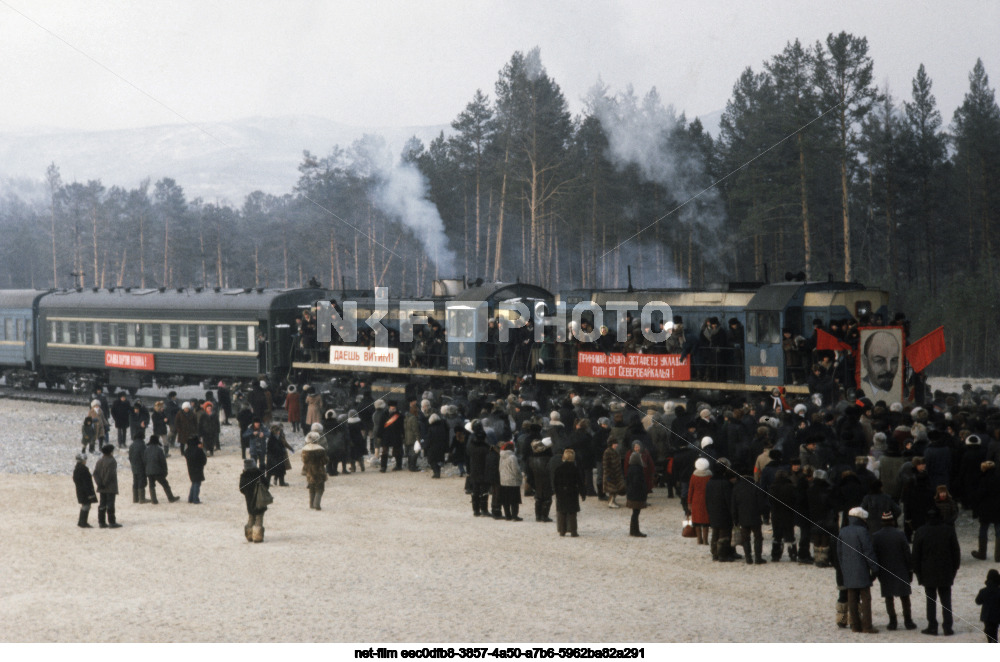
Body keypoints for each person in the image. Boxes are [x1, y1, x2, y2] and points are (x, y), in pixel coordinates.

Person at [912, 507, 961, 636]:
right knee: (946, 600)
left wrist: (918, 572)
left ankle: (932, 626)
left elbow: (916, 554)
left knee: (930, 600)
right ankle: (947, 627)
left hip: (927, 571)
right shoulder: (948, 530)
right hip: (946, 571)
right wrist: (954, 569)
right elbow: (956, 552)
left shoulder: (921, 531)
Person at [837, 506, 879, 634]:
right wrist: (874, 568)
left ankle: (855, 625)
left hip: (848, 570)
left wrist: (843, 568)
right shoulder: (862, 531)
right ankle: (867, 626)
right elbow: (868, 551)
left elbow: (839, 552)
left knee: (852, 598)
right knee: (865, 598)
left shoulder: (843, 531)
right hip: (862, 570)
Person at [871, 511, 916, 630]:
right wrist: (910, 569)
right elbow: (907, 553)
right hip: (901, 569)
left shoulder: (876, 536)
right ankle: (908, 620)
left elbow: (874, 555)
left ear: (882, 522)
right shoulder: (900, 534)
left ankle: (892, 621)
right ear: (892, 521)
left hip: (885, 570)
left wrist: (876, 571)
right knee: (905, 597)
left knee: (888, 597)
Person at [859, 330, 900, 402]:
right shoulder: (861, 389)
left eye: (893, 360)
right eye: (880, 361)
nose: (888, 368)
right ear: (865, 361)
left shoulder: (899, 390)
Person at [553, 448, 585, 536]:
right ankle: (573, 531)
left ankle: (562, 531)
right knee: (572, 513)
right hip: (572, 492)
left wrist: (556, 492)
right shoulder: (575, 469)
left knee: (562, 512)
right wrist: (583, 493)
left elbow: (555, 482)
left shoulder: (559, 468)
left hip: (561, 492)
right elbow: (579, 482)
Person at [239, 458, 269, 542]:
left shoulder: (244, 476)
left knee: (251, 517)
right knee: (259, 517)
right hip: (260, 499)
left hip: (249, 499)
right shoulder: (259, 474)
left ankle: (249, 534)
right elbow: (266, 484)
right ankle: (257, 536)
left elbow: (241, 488)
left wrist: (247, 493)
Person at [143, 435, 180, 504]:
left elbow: (144, 461)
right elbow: (163, 462)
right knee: (165, 484)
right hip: (158, 471)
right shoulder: (159, 450)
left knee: (151, 485)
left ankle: (154, 500)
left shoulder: (146, 450)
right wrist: (165, 471)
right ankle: (171, 498)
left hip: (149, 471)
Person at [92, 444, 121, 528]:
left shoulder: (99, 461)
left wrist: (99, 484)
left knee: (102, 504)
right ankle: (112, 522)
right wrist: (104, 483)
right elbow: (110, 474)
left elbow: (95, 473)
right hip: (110, 487)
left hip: (101, 487)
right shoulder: (112, 461)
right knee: (110, 504)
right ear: (110, 452)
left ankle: (101, 522)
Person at [301, 431, 327, 510]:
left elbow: (303, 460)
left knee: (311, 487)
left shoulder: (305, 451)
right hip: (319, 471)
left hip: (309, 471)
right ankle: (317, 504)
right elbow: (325, 461)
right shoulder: (321, 450)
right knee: (320, 488)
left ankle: (311, 504)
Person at [688, 457, 711, 545]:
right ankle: (705, 540)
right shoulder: (709, 475)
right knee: (706, 521)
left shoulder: (694, 476)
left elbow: (690, 489)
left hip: (696, 500)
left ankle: (699, 539)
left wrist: (689, 502)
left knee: (697, 521)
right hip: (706, 499)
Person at [626, 451, 648, 537]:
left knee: (635, 513)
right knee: (636, 513)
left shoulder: (631, 468)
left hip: (632, 494)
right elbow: (637, 483)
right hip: (637, 495)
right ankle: (635, 531)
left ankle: (633, 530)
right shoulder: (638, 469)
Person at [499, 441, 523, 521]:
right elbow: (516, 470)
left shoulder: (501, 456)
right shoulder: (512, 457)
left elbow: (500, 468)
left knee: (506, 500)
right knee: (514, 500)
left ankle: (507, 515)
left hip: (503, 480)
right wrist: (520, 477)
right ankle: (514, 516)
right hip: (513, 481)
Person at [73, 453, 97, 528]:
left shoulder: (76, 469)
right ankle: (83, 522)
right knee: (86, 506)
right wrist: (89, 493)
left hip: (80, 490)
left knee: (85, 505)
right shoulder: (83, 469)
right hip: (85, 491)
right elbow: (86, 482)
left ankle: (81, 522)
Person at [976, 569, 1000, 643]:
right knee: (994, 629)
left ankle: (991, 640)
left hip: (986, 615)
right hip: (997, 616)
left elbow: (978, 601)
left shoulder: (983, 591)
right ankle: (993, 640)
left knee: (988, 629)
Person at [602, 438, 626, 509]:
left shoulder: (615, 451)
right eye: (615, 443)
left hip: (616, 474)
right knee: (612, 490)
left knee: (617, 488)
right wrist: (608, 475)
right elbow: (605, 465)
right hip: (611, 474)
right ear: (611, 444)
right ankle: (611, 502)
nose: (616, 445)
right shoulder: (607, 452)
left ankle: (612, 501)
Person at [184, 436, 207, 504]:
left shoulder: (187, 450)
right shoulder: (198, 450)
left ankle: (190, 498)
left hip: (191, 469)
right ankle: (195, 499)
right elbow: (204, 460)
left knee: (194, 482)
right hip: (198, 468)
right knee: (197, 483)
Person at [128, 433, 147, 504]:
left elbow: (129, 457)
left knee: (135, 481)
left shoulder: (131, 446)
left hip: (134, 466)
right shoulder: (142, 445)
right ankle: (142, 498)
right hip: (141, 466)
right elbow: (144, 457)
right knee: (141, 481)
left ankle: (135, 498)